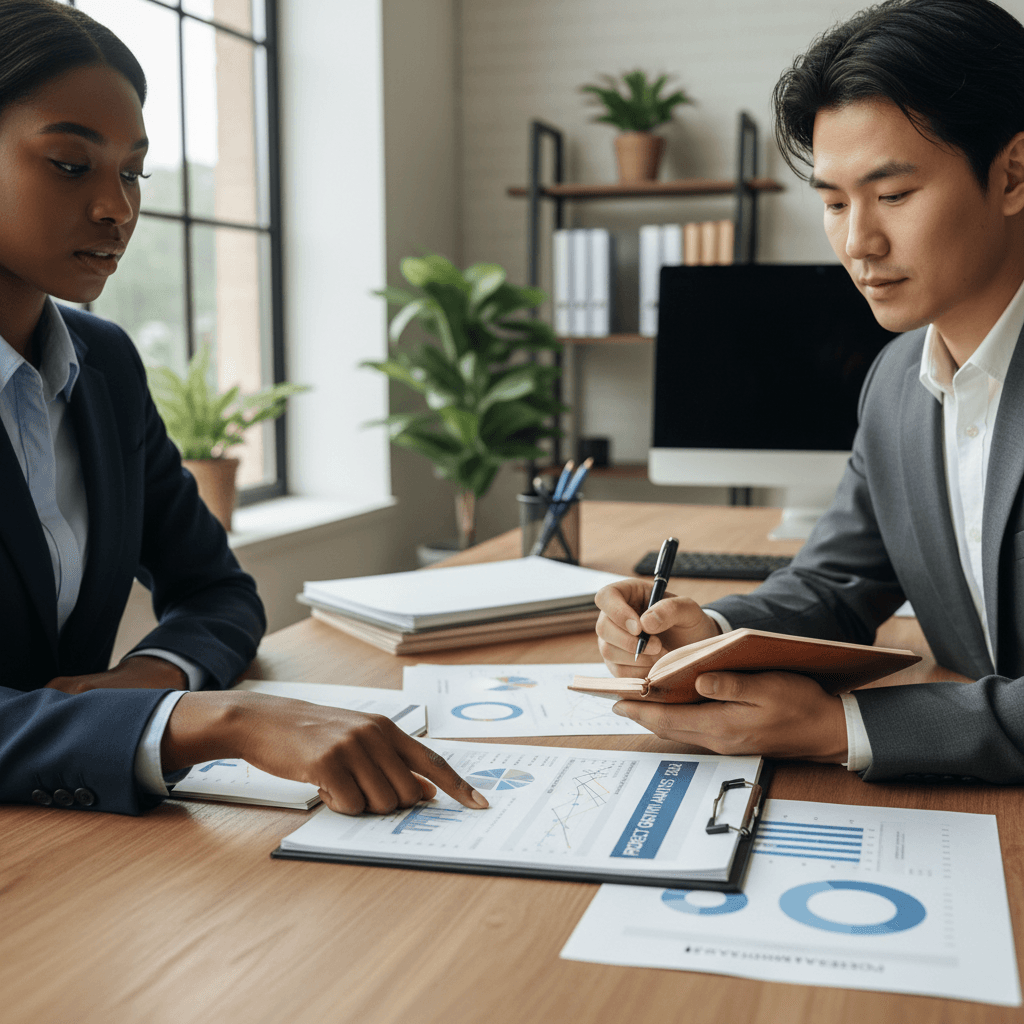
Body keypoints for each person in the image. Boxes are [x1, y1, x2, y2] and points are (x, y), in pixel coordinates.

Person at [0, 0, 487, 817]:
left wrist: (151, 678)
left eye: (133, 172)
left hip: (75, 839)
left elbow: (218, 590)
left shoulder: (104, 365)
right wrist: (208, 719)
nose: (118, 208)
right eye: (71, 164)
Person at [596, 0, 1024, 782]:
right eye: (833, 203)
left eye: (893, 195)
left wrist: (839, 728)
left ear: (1013, 174)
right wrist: (711, 633)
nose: (858, 242)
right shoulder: (896, 382)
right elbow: (837, 583)